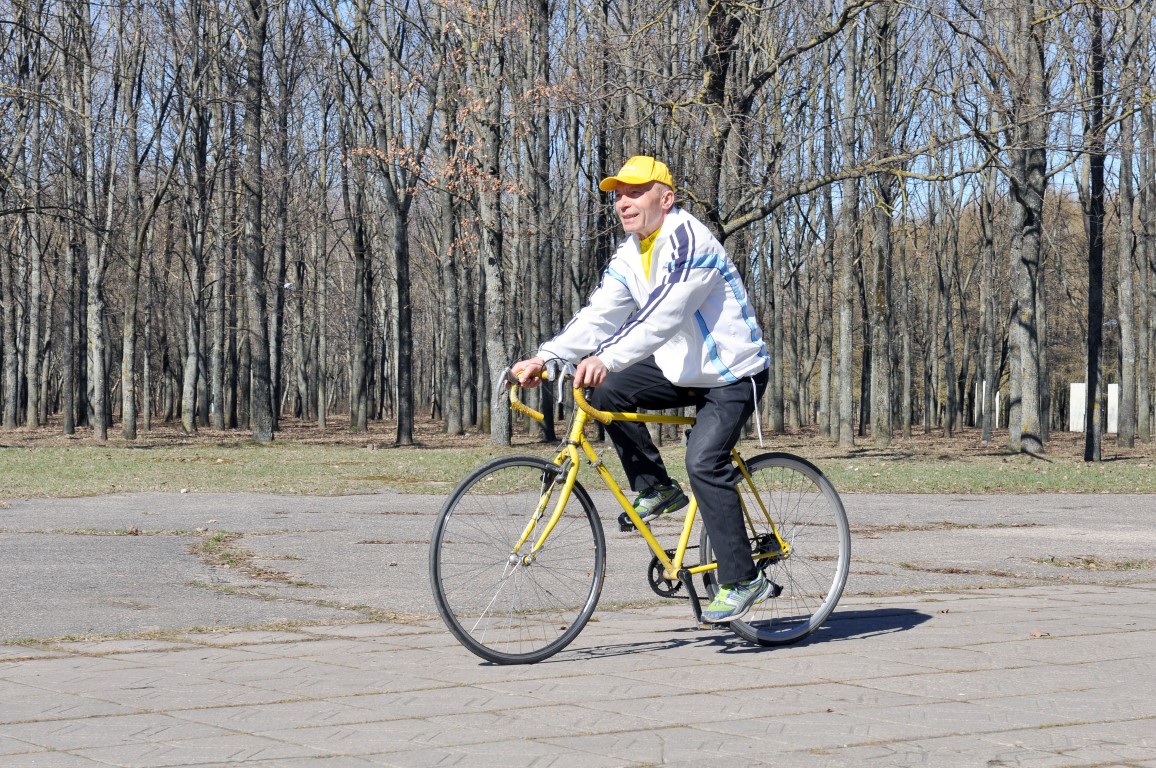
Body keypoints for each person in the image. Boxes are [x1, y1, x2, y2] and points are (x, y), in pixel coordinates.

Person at [512, 155, 771, 623]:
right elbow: (597, 316)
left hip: (733, 374)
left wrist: (606, 357)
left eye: (635, 192)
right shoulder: (631, 254)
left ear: (665, 199)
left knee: (704, 461)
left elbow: (665, 315)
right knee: (602, 392)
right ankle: (655, 487)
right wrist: (548, 358)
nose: (623, 202)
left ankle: (743, 579)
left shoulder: (691, 241)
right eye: (618, 195)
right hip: (681, 371)